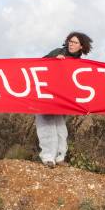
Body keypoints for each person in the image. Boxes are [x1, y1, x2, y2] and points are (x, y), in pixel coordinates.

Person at [36, 31, 93, 168]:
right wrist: (53, 60)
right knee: (47, 126)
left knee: (61, 128)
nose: (71, 44)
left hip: (63, 99)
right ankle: (48, 158)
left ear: (81, 46)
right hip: (47, 95)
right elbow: (38, 65)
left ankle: (60, 157)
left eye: (75, 42)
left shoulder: (78, 62)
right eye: (70, 41)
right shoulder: (58, 52)